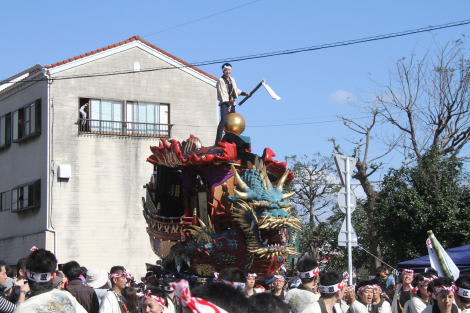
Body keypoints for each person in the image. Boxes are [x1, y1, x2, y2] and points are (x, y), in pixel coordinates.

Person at [13, 248, 87, 313]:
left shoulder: (22, 309)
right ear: (53, 276)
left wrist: (22, 293)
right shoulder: (66, 296)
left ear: (26, 275)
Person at [215, 63, 249, 144]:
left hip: (232, 103)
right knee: (223, 121)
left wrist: (245, 93)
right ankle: (218, 141)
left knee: (232, 122)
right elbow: (223, 93)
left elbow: (236, 90)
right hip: (225, 103)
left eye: (229, 70)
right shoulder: (221, 80)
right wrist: (228, 105)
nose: (228, 71)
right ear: (223, 71)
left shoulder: (232, 79)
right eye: (226, 70)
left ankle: (231, 140)